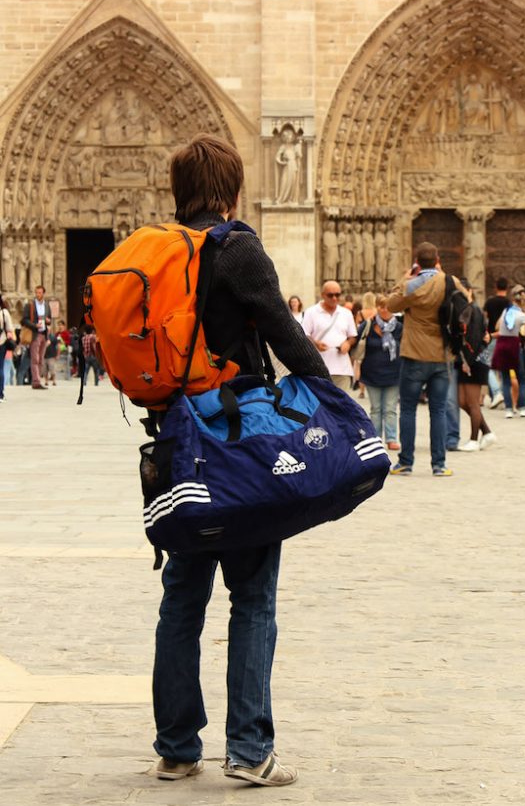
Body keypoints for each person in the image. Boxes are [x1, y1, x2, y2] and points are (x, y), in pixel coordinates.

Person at [151, 133, 329, 786]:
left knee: (182, 597)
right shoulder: (237, 248)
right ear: (230, 191)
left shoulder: (162, 254)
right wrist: (336, 404)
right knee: (252, 597)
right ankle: (250, 751)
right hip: (238, 440)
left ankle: (176, 748)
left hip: (177, 441)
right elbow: (286, 336)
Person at [385, 241, 466, 477]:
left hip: (415, 354)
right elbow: (465, 301)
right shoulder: (450, 281)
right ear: (438, 260)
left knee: (408, 410)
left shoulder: (411, 285)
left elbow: (391, 304)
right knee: (438, 410)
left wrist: (405, 278)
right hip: (441, 355)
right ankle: (439, 464)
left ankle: (405, 462)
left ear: (417, 263)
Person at [355, 295, 402, 451]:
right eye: (381, 306)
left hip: (394, 373)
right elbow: (355, 340)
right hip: (372, 373)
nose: (384, 310)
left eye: (388, 306)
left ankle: (391, 438)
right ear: (377, 307)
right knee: (375, 409)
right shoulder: (368, 325)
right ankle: (376, 438)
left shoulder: (399, 327)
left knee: (390, 409)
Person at [454, 279, 495, 451]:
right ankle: (487, 432)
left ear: (470, 291)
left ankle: (473, 439)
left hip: (474, 360)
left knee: (472, 402)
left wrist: (468, 362)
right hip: (467, 359)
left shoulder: (474, 310)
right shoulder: (466, 310)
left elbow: (475, 338)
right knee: (462, 401)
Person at [301, 281, 357, 393]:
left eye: (337, 295)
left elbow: (353, 336)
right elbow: (304, 335)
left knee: (342, 402)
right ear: (323, 295)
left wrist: (347, 343)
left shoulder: (346, 313)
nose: (334, 298)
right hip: (318, 368)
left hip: (342, 369)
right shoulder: (311, 312)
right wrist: (315, 343)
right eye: (330, 295)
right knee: (321, 402)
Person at [490, 286, 525, 419]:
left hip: (502, 344)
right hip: (514, 345)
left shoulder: (506, 311)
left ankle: (508, 409)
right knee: (521, 378)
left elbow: (497, 326)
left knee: (505, 379)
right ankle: (522, 407)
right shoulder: (522, 315)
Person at [483, 277, 510, 408]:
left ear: (495, 287)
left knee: (486, 365)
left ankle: (496, 392)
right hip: (506, 338)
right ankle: (504, 396)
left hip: (492, 337)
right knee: (504, 368)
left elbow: (485, 318)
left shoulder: (490, 301)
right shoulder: (509, 303)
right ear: (507, 288)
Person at [21, 284, 52, 390]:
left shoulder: (46, 305)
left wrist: (48, 321)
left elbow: (50, 319)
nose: (38, 294)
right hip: (35, 334)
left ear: (43, 293)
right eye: (36, 292)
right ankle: (36, 381)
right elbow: (24, 320)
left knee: (41, 359)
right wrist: (35, 325)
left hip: (44, 334)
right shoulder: (30, 305)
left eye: (40, 292)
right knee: (35, 358)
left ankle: (38, 379)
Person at [0, 295, 12, 401]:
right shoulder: (4, 313)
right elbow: (9, 329)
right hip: (2, 342)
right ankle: (0, 393)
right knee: (0, 368)